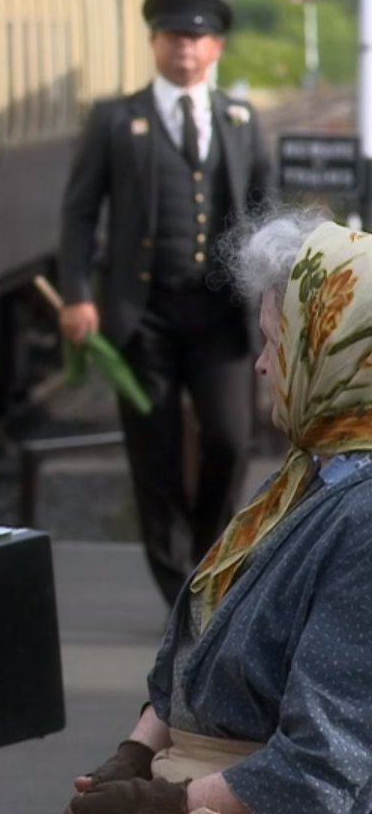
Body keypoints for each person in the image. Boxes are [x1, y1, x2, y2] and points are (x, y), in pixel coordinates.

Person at [67, 209, 372, 814]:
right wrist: (140, 746)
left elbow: (322, 763)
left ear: (333, 355)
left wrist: (167, 802)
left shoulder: (363, 515)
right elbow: (199, 649)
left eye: (276, 342)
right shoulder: (302, 476)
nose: (260, 365)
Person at [58, 0, 273, 604]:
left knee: (230, 441)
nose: (186, 48)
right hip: (141, 316)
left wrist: (276, 298)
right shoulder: (116, 119)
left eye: (198, 38)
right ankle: (174, 583)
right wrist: (77, 293)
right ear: (155, 43)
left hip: (219, 317)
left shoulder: (241, 120)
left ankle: (207, 559)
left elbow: (264, 216)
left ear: (217, 48)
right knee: (153, 454)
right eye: (174, 37)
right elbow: (78, 214)